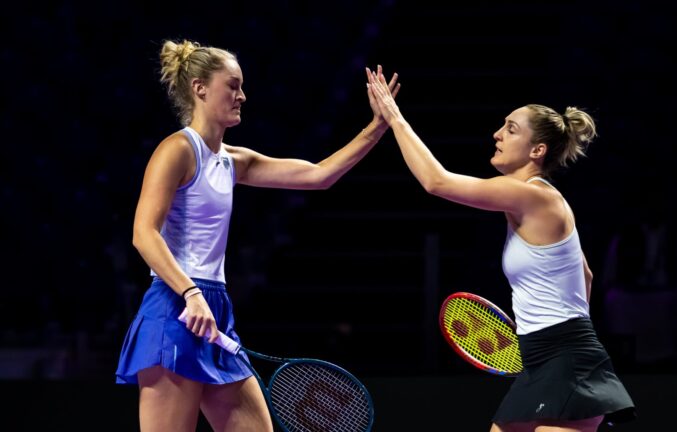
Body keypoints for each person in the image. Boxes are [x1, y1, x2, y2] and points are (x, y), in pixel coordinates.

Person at [114, 40, 399, 431]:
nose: (242, 96)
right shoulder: (177, 149)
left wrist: (378, 126)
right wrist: (190, 293)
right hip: (174, 308)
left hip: (216, 308)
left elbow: (319, 176)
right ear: (199, 88)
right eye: (232, 85)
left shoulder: (234, 161)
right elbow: (143, 234)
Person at [366, 68, 635, 432]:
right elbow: (584, 275)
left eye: (511, 128)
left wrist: (393, 117)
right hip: (545, 355)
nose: (497, 134)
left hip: (567, 360)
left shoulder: (532, 195)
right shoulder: (533, 203)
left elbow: (436, 182)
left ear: (537, 150)